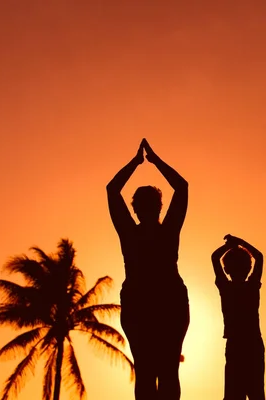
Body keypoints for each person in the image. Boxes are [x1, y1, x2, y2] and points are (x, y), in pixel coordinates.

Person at [107, 139, 189, 400]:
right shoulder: (167, 231)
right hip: (165, 303)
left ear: (136, 209)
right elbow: (182, 187)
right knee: (167, 372)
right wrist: (154, 161)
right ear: (159, 207)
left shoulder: (130, 233)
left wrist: (137, 162)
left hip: (145, 303)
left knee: (146, 372)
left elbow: (112, 189)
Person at [211, 234, 265, 400]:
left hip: (237, 345)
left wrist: (231, 245)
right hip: (252, 344)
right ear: (249, 267)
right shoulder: (252, 286)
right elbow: (260, 257)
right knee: (256, 393)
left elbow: (214, 257)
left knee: (234, 395)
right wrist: (241, 243)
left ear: (226, 269)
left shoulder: (226, 287)